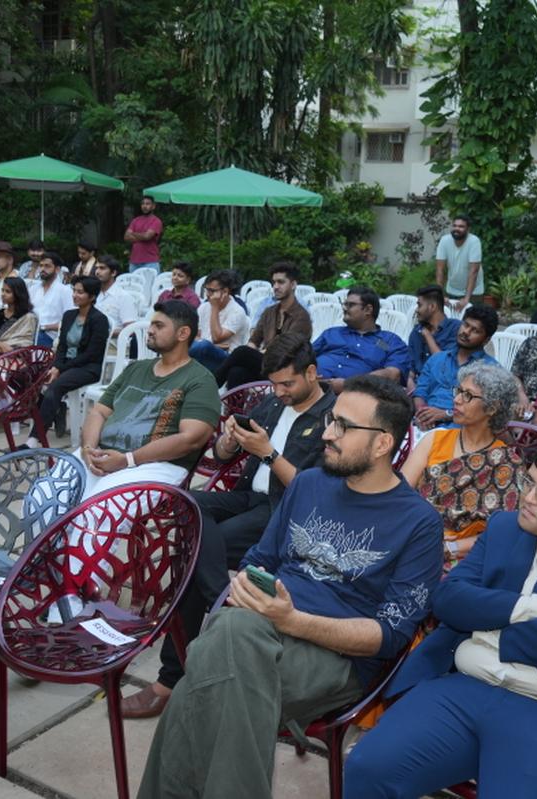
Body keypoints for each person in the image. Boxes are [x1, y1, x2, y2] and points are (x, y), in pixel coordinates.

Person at [137, 375, 442, 799]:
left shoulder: (419, 524)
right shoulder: (309, 483)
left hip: (337, 658)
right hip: (262, 629)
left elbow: (389, 637)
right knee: (230, 647)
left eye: (342, 427)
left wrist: (291, 620)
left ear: (382, 444)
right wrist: (249, 590)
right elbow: (257, 561)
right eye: (330, 420)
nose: (327, 433)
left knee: (206, 670)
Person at [345, 434, 537, 799]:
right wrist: (535, 609)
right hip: (464, 688)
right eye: (530, 483)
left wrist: (488, 630)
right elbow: (448, 600)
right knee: (368, 768)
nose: (529, 499)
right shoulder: (505, 527)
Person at [124, 333, 336, 719]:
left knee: (196, 547)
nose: (279, 391)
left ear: (311, 372)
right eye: (273, 382)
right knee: (186, 504)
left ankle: (171, 678)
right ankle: (221, 595)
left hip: (285, 511)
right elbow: (226, 453)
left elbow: (315, 494)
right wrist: (227, 442)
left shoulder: (332, 420)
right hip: (246, 496)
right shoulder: (272, 403)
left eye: (288, 383)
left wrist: (268, 453)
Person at [69, 299, 220, 498]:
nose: (150, 330)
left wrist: (128, 460)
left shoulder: (200, 380)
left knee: (93, 513)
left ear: (183, 333)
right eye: (151, 324)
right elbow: (98, 412)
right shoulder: (135, 369)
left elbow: (191, 439)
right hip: (101, 455)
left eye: (159, 326)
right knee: (46, 499)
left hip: (153, 466)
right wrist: (87, 449)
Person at [402, 361, 522, 566]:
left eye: (467, 395)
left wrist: (449, 549)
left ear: (492, 407)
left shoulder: (507, 461)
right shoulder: (435, 439)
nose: (456, 400)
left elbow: (504, 531)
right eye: (458, 391)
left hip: (465, 557)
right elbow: (400, 495)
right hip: (414, 536)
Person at [24, 275, 109, 450]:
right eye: (74, 291)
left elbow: (92, 354)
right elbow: (62, 346)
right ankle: (56, 409)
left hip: (88, 367)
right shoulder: (69, 315)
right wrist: (56, 366)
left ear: (92, 297)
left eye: (80, 292)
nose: (75, 295)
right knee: (34, 378)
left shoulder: (99, 320)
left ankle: (34, 439)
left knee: (55, 386)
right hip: (65, 364)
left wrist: (59, 369)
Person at [214, 262, 311, 389]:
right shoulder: (269, 312)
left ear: (293, 285)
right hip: (266, 364)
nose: (275, 286)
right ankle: (235, 409)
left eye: (281, 282)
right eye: (274, 282)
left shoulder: (302, 316)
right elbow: (254, 340)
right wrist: (252, 350)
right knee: (236, 372)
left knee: (242, 352)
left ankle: (208, 389)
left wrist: (252, 353)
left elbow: (286, 350)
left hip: (287, 368)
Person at [413, 305, 499, 429]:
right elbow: (420, 392)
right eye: (465, 325)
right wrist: (423, 414)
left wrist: (445, 414)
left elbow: (483, 412)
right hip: (424, 425)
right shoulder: (437, 359)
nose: (466, 332)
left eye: (475, 330)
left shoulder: (491, 370)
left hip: (461, 431)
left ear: (486, 340)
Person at [314, 286, 412, 392]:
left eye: (350, 305)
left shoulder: (387, 342)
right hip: (313, 391)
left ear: (368, 310)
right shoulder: (331, 333)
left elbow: (393, 374)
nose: (344, 308)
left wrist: (349, 385)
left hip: (359, 396)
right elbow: (303, 356)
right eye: (345, 304)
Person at [189, 269, 250, 372]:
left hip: (226, 358)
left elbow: (217, 338)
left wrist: (215, 308)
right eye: (206, 289)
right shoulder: (203, 307)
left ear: (225, 291)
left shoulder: (237, 311)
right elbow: (196, 335)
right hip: (202, 353)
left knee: (203, 346)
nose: (208, 294)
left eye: (212, 291)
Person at [408, 284, 462, 382]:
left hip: (443, 385)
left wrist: (427, 335)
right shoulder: (416, 331)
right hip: (418, 385)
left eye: (419, 305)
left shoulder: (455, 328)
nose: (417, 310)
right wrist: (410, 381)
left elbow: (444, 364)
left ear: (432, 307)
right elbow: (411, 365)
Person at [435, 215, 483, 312]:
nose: (457, 228)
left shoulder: (474, 241)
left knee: (471, 321)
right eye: (454, 225)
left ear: (468, 229)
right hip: (452, 288)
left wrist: (466, 298)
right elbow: (440, 270)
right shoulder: (445, 240)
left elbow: (474, 271)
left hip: (473, 292)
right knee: (451, 321)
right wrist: (441, 295)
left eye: (461, 226)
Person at [29, 251, 74, 348]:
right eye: (41, 266)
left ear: (57, 269)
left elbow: (70, 321)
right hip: (31, 331)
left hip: (51, 336)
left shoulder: (65, 291)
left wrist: (44, 327)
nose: (42, 269)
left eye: (47, 266)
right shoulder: (33, 288)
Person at [93, 256, 139, 335]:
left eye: (102, 268)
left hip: (113, 344)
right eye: (96, 268)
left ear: (113, 273)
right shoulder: (93, 294)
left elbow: (130, 330)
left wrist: (103, 333)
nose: (97, 272)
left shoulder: (123, 297)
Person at [126, 195, 163, 272]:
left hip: (150, 261)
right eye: (143, 204)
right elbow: (126, 237)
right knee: (134, 284)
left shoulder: (156, 221)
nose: (144, 206)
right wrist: (142, 235)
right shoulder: (135, 220)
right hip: (134, 262)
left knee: (151, 284)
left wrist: (133, 233)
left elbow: (147, 236)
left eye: (147, 204)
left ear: (153, 206)